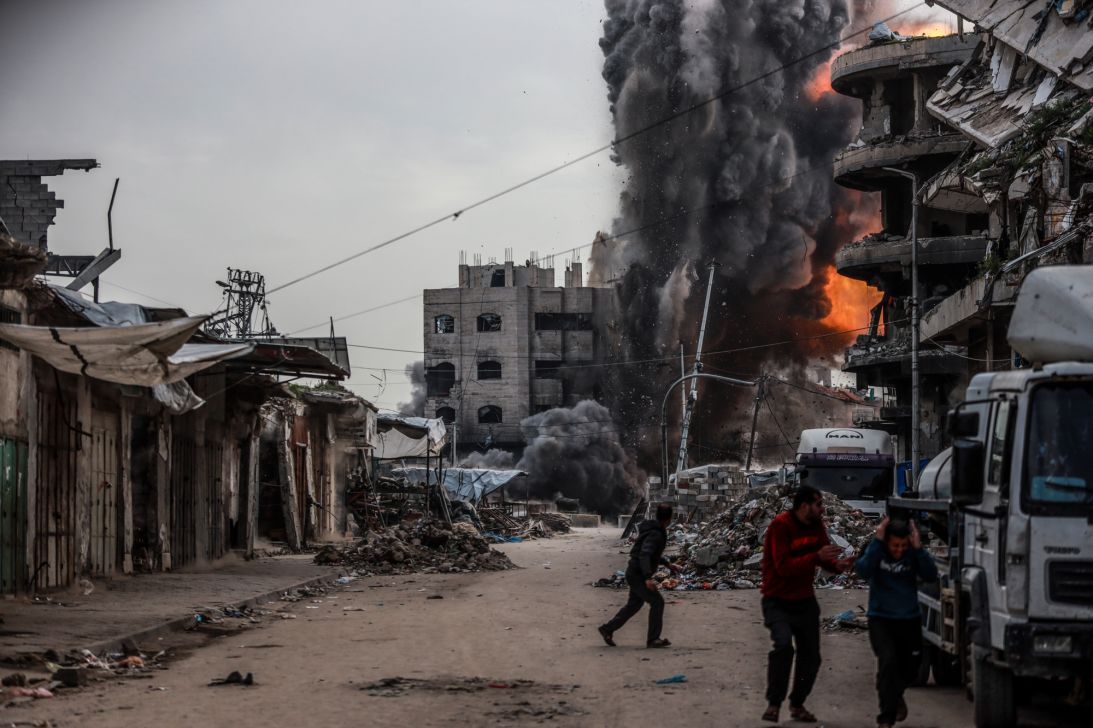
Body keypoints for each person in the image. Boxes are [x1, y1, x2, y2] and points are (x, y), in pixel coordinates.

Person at [760, 485, 851, 723]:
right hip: (777, 599)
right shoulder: (781, 526)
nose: (822, 509)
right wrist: (816, 558)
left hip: (804, 600)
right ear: (804, 506)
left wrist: (837, 565)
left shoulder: (816, 526)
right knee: (783, 647)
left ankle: (797, 704)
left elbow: (823, 557)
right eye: (818, 504)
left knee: (811, 656)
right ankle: (774, 703)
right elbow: (783, 567)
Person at [855, 516, 938, 728]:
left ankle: (895, 692)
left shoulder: (913, 554)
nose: (899, 550)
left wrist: (918, 549)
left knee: (911, 669)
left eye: (903, 545)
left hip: (908, 619)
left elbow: (930, 575)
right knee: (888, 661)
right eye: (894, 546)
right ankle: (886, 717)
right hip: (881, 619)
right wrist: (876, 542)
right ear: (886, 542)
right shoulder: (877, 552)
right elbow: (862, 570)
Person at [598, 502, 678, 648]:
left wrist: (668, 564)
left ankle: (607, 629)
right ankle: (653, 639)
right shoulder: (656, 533)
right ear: (669, 519)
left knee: (633, 605)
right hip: (638, 575)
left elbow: (652, 554)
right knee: (657, 602)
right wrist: (648, 577)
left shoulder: (654, 529)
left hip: (634, 572)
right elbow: (645, 554)